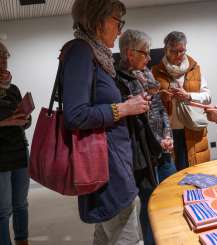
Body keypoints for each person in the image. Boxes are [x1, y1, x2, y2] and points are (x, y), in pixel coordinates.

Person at [63, 1, 149, 244]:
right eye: (117, 21)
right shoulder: (81, 52)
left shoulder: (94, 54)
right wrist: (124, 108)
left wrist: (126, 104)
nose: (120, 30)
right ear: (98, 20)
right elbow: (75, 114)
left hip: (111, 163)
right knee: (127, 236)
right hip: (108, 168)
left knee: (106, 235)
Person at [116, 29, 176, 245]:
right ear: (130, 53)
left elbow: (160, 109)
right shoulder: (117, 80)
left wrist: (168, 136)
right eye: (145, 53)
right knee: (150, 202)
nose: (149, 58)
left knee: (171, 195)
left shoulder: (148, 73)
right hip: (142, 153)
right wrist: (158, 141)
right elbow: (134, 123)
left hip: (163, 148)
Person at [152, 31, 211, 170]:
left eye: (182, 51)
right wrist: (162, 97)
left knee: (195, 171)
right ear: (166, 49)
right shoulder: (155, 71)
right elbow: (150, 101)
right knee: (173, 174)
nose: (179, 55)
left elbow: (207, 97)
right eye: (174, 51)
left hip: (192, 128)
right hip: (168, 132)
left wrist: (188, 95)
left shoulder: (194, 69)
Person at [0, 41, 31, 245]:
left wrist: (25, 119)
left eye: (4, 58)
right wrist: (6, 122)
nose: (3, 63)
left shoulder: (14, 89)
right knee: (3, 209)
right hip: (0, 156)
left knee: (21, 204)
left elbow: (24, 122)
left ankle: (22, 241)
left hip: (19, 152)